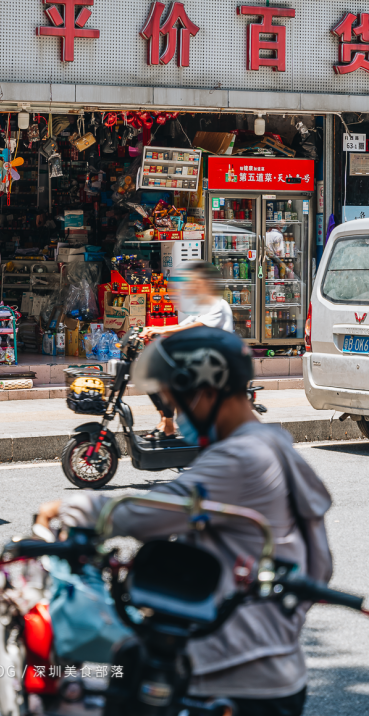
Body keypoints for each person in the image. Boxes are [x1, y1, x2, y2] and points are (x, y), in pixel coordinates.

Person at [36, 327, 332, 716]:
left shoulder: (242, 458)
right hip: (271, 659)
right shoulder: (273, 442)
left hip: (236, 669)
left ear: (206, 395)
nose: (178, 416)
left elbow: (155, 511)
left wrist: (73, 509)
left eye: (179, 403)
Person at [141, 260, 233, 437]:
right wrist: (155, 331)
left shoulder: (219, 306)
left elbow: (195, 327)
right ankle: (165, 421)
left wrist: (161, 330)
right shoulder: (203, 307)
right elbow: (182, 326)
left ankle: (168, 425)